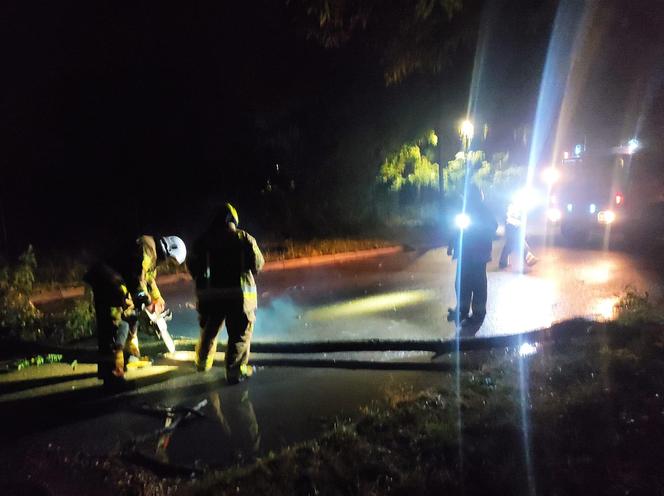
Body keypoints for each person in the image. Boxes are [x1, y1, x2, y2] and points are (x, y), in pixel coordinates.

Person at [84, 235, 187, 388]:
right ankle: (113, 378)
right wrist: (147, 303)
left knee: (129, 321)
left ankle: (117, 367)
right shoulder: (147, 249)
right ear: (168, 250)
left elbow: (149, 279)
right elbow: (137, 279)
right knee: (117, 327)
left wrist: (157, 298)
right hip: (109, 283)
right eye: (170, 261)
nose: (167, 264)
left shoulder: (152, 253)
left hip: (115, 284)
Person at [187, 203, 264, 384]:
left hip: (211, 298)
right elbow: (257, 265)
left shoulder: (202, 242)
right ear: (233, 220)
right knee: (239, 335)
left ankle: (202, 363)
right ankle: (235, 372)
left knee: (209, 331)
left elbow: (192, 267)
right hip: (239, 297)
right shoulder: (244, 238)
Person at [446, 184, 497, 327]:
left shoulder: (484, 211)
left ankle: (478, 313)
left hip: (478, 255)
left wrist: (481, 230)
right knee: (461, 283)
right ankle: (462, 310)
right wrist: (451, 245)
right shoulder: (463, 210)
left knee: (478, 284)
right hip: (464, 253)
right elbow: (456, 229)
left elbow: (493, 226)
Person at [498, 199, 538, 269]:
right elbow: (508, 218)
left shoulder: (514, 206)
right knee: (517, 244)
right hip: (512, 228)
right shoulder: (510, 206)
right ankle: (530, 259)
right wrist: (516, 222)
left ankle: (503, 263)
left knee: (511, 246)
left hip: (514, 228)